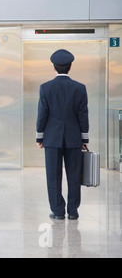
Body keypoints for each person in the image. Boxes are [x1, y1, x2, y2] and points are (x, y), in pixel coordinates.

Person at [36, 49, 89, 220]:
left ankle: (58, 211)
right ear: (70, 67)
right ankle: (73, 211)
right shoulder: (80, 88)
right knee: (74, 175)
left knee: (53, 176)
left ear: (54, 68)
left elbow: (42, 114)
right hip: (74, 139)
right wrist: (84, 139)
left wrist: (40, 137)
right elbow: (83, 114)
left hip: (52, 139)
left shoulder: (45, 88)